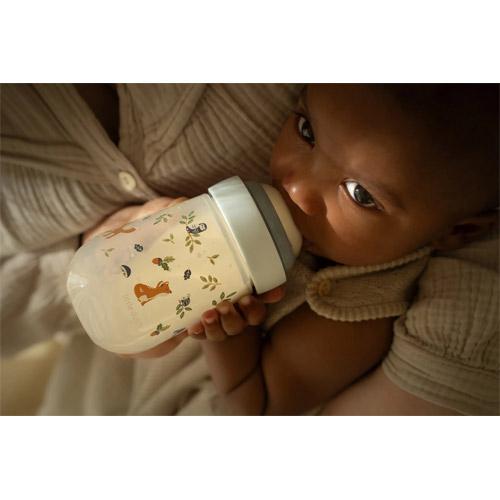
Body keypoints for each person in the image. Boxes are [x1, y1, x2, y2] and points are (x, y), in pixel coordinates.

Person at [2, 84, 498, 415]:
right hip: (94, 375)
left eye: (360, 195)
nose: (296, 187)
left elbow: (255, 406)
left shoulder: (351, 304)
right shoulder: (266, 200)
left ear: (457, 232)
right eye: (307, 131)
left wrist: (229, 337)